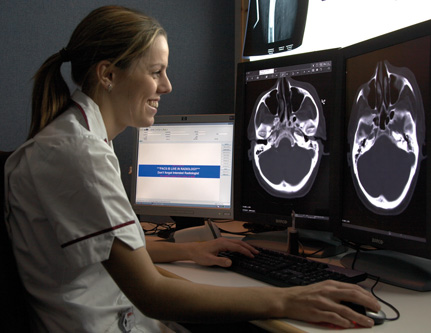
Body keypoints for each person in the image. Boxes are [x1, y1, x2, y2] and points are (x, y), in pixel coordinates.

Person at [4, 5, 380, 332]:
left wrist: (190, 250)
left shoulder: (72, 138)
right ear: (108, 75)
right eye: (156, 71)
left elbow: (114, 251)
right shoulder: (78, 155)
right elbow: (152, 295)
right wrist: (286, 300)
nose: (167, 86)